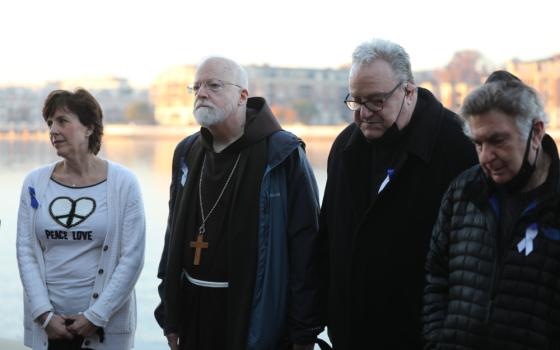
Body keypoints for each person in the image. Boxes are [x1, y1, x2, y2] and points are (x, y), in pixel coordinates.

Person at [154, 56, 324, 350]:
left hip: (254, 317)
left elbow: (305, 248)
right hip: (194, 316)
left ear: (243, 96)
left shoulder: (282, 153)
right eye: (196, 88)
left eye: (213, 85)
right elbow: (172, 238)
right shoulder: (187, 152)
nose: (202, 93)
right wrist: (170, 313)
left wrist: (304, 332)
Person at [320, 38, 478, 349]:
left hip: (421, 337)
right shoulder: (344, 148)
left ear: (408, 92)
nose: (363, 113)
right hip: (351, 334)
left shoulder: (457, 146)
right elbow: (328, 241)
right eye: (356, 100)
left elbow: (471, 261)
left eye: (376, 101)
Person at [423, 72, 560, 349]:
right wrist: (437, 341)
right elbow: (436, 277)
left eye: (498, 141)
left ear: (536, 133)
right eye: (478, 143)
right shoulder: (462, 191)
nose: (486, 156)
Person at [16, 89, 146, 350]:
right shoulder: (34, 183)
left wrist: (96, 316)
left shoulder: (124, 183)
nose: (53, 129)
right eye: (50, 122)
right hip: (49, 330)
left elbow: (132, 257)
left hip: (104, 330)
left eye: (62, 121)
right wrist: (44, 314)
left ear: (88, 128)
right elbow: (26, 251)